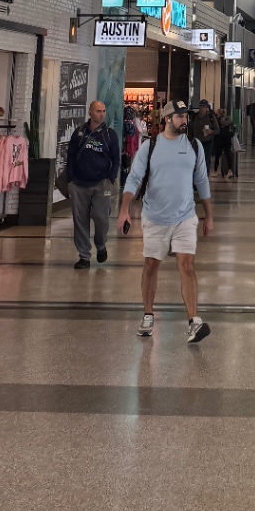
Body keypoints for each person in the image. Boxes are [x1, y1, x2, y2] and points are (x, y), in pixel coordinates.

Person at [118, 99, 213, 344]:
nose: (185, 120)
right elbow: (134, 179)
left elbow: (202, 181)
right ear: (167, 119)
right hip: (155, 217)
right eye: (180, 116)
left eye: (186, 116)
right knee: (151, 265)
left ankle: (194, 321)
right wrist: (124, 210)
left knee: (187, 265)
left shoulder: (194, 146)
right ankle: (148, 314)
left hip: (184, 216)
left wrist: (209, 215)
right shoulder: (150, 147)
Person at [60, 98, 119, 270]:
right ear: (90, 113)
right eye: (98, 111)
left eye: (104, 111)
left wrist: (111, 179)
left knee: (101, 218)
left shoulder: (110, 135)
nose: (102, 114)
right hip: (79, 184)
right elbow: (70, 157)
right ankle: (84, 256)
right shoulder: (79, 133)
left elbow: (115, 159)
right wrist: (70, 180)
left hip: (102, 184)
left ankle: (101, 245)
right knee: (80, 221)